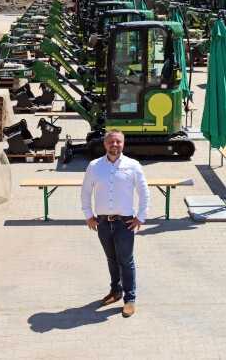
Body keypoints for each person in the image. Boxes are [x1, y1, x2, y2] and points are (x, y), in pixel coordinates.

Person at [81, 130, 150, 318]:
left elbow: (144, 193)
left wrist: (141, 217)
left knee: (126, 261)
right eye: (111, 142)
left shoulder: (133, 165)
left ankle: (130, 298)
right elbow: (86, 192)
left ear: (123, 144)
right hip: (102, 223)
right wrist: (88, 215)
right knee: (111, 260)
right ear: (105, 144)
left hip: (124, 223)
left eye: (118, 142)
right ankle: (115, 291)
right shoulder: (94, 166)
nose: (115, 145)